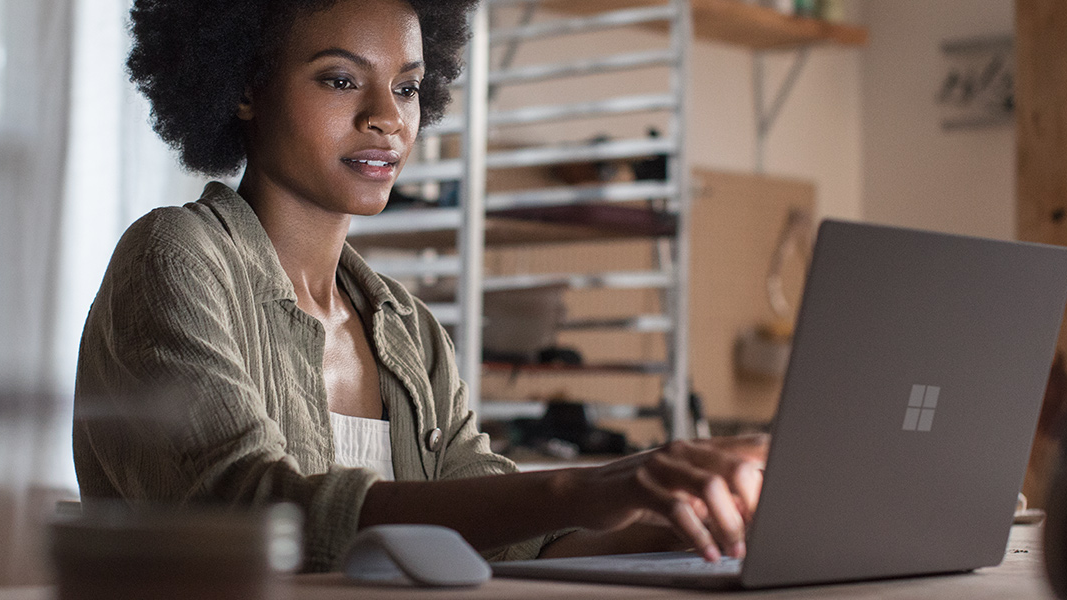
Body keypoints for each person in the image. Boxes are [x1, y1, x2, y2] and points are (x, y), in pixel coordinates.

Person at [73, 0, 769, 573]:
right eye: (341, 80)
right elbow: (256, 514)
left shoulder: (404, 326)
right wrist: (591, 484)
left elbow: (519, 541)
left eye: (406, 86)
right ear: (246, 87)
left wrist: (713, 527)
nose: (388, 116)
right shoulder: (175, 258)